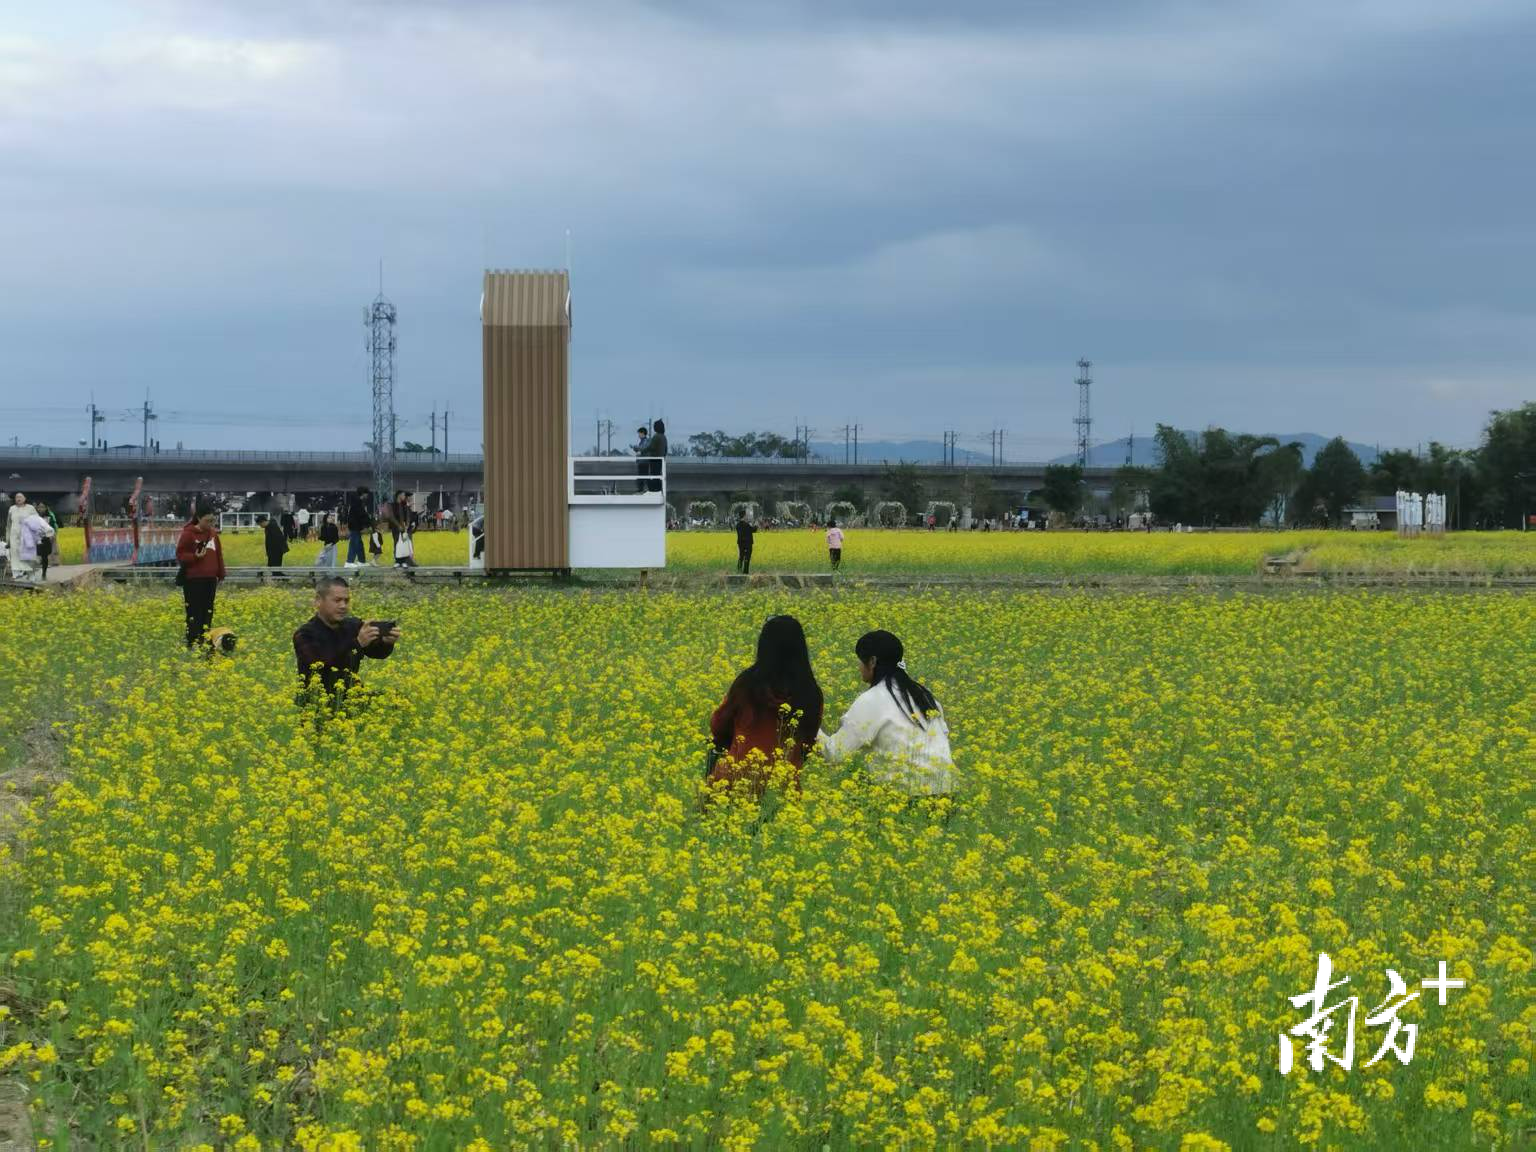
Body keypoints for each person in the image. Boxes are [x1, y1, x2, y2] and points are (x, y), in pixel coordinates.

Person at [817, 630, 955, 801]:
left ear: (872, 661)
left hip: (906, 798)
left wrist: (808, 726)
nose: (858, 667)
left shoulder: (873, 699)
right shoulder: (924, 695)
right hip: (946, 794)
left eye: (860, 660)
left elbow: (834, 753)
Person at [707, 615, 823, 797]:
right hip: (783, 790)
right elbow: (808, 744)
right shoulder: (810, 692)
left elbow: (718, 725)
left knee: (711, 749)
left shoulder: (747, 684)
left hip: (735, 783)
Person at [293, 575, 401, 697]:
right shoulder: (305, 634)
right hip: (318, 700)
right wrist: (358, 644)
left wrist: (386, 642)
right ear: (318, 601)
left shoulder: (352, 625)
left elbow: (377, 653)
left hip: (351, 697)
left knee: (397, 699)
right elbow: (325, 665)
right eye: (337, 600)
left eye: (346, 601)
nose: (343, 606)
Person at [176, 508, 226, 648]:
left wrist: (221, 574)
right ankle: (192, 641)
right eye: (207, 521)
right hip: (193, 579)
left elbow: (219, 555)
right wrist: (194, 557)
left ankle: (204, 638)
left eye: (213, 521)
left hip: (210, 579)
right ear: (198, 518)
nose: (210, 523)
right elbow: (180, 555)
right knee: (194, 611)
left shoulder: (213, 534)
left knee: (207, 611)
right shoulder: (188, 534)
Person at [9, 502, 54, 583]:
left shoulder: (50, 516)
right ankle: (31, 574)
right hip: (34, 540)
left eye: (43, 507)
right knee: (32, 557)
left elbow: (53, 527)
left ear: (46, 508)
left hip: (45, 539)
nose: (41, 509)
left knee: (44, 557)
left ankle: (43, 573)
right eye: (39, 507)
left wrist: (51, 535)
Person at [344, 486, 372, 568]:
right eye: (366, 494)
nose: (367, 496)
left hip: (356, 526)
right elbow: (362, 515)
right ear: (363, 494)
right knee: (354, 543)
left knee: (359, 544)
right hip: (354, 526)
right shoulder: (357, 503)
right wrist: (368, 523)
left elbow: (362, 515)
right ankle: (349, 561)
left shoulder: (357, 502)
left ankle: (361, 561)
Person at [639, 419, 668, 492]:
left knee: (654, 475)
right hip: (661, 459)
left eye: (654, 426)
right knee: (658, 475)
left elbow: (651, 447)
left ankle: (653, 490)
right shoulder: (664, 437)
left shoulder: (656, 436)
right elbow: (666, 449)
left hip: (654, 459)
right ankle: (659, 489)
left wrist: (642, 450)